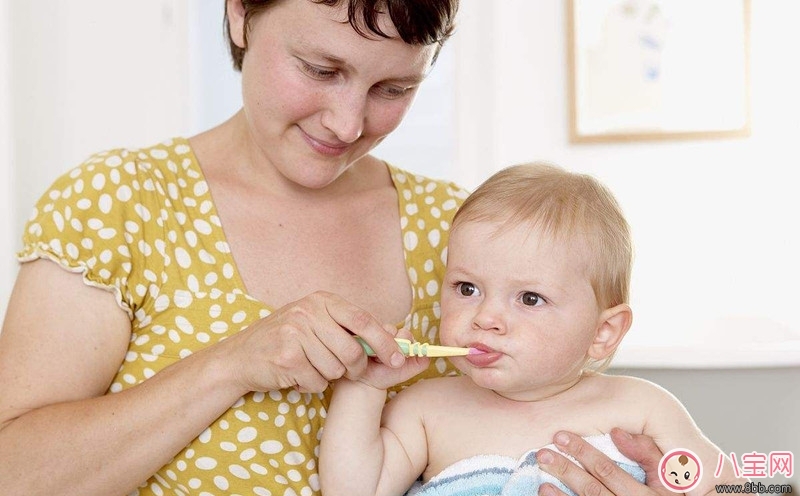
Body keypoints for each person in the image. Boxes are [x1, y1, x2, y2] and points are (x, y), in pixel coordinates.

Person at [0, 2, 669, 495]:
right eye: (321, 69)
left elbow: (597, 426)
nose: (349, 123)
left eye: (394, 89)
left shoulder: (464, 237)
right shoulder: (119, 202)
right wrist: (228, 365)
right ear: (239, 15)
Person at [319, 163, 748, 496]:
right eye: (467, 288)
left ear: (603, 331)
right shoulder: (425, 411)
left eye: (529, 299)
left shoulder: (641, 408)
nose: (485, 318)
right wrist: (364, 385)